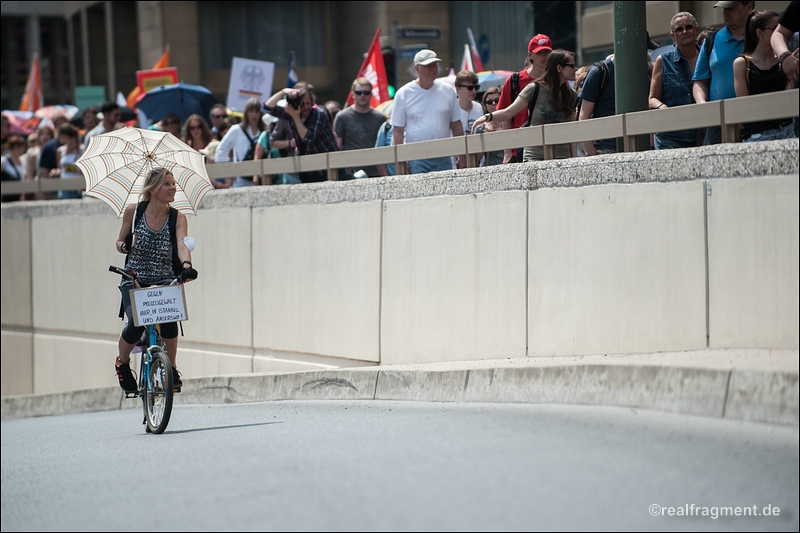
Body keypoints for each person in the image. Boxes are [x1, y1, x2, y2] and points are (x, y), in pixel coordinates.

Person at [113, 167, 196, 394]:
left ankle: (172, 367)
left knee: (169, 320)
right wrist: (125, 245)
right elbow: (119, 242)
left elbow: (182, 244)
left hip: (165, 278)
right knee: (136, 322)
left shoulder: (178, 217)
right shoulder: (133, 211)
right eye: (166, 184)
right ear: (153, 188)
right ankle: (122, 362)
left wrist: (187, 266)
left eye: (173, 183)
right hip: (135, 279)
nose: (172, 188)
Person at [472, 49, 578, 161]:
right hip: (536, 156)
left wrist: (574, 157)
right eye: (571, 65)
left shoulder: (571, 95)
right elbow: (508, 112)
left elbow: (572, 131)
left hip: (563, 158)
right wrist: (487, 117)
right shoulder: (534, 89)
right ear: (559, 68)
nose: (575, 69)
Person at [391, 49, 465, 174]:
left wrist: (462, 155)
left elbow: (456, 124)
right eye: (428, 65)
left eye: (435, 64)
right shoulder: (403, 94)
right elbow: (398, 130)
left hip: (444, 155)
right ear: (416, 68)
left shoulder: (448, 90)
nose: (433, 69)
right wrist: (401, 161)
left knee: (446, 192)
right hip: (416, 157)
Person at [692, 1, 755, 145]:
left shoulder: (761, 37)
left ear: (749, 6)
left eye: (731, 8)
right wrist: (702, 103)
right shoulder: (712, 40)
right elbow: (700, 81)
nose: (725, 12)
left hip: (756, 118)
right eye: (724, 8)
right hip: (718, 122)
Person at [733, 10, 795, 141]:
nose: (779, 32)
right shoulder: (742, 63)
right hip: (757, 135)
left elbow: (789, 98)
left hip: (786, 130)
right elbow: (744, 104)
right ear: (759, 33)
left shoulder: (782, 59)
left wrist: (793, 70)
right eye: (774, 28)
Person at [263, 81, 339, 182]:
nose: (307, 107)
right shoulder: (291, 113)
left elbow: (308, 138)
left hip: (330, 168)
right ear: (295, 104)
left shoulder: (319, 114)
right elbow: (267, 107)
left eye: (309, 103)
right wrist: (283, 92)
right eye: (303, 104)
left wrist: (295, 118)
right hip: (311, 171)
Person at [649, 11, 703, 150]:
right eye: (679, 29)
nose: (684, 31)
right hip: (670, 136)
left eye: (689, 27)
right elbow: (652, 98)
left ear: (696, 29)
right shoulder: (663, 60)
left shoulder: (707, 57)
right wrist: (661, 107)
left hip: (701, 133)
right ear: (672, 35)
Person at [496, 33, 553, 163]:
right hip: (519, 148)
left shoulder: (557, 79)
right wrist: (507, 151)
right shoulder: (514, 80)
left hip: (551, 145)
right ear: (530, 55)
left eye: (547, 52)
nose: (544, 56)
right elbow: (506, 116)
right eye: (539, 52)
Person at [333, 76, 387, 178]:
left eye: (366, 92)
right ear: (353, 94)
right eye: (358, 92)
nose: (362, 95)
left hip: (376, 172)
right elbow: (337, 147)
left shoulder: (380, 118)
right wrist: (343, 166)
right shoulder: (342, 116)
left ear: (371, 94)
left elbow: (385, 147)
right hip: (352, 173)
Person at [215, 97, 265, 187]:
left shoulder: (264, 131)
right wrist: (228, 172)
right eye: (251, 111)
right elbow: (221, 150)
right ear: (246, 113)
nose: (254, 114)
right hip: (240, 180)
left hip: (261, 179)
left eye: (257, 111)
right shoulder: (236, 129)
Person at [578, 53, 617, 155]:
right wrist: (592, 154)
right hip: (606, 149)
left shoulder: (641, 70)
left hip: (639, 145)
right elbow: (583, 116)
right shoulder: (599, 71)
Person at [49, 123, 85, 200]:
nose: (58, 138)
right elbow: (60, 168)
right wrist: (56, 171)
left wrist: (75, 168)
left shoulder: (81, 149)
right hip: (64, 186)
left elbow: (85, 171)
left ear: (65, 135)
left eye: (59, 135)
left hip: (78, 186)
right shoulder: (60, 150)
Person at [472, 87, 503, 166]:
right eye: (489, 102)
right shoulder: (480, 128)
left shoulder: (512, 123)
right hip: (491, 167)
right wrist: (485, 138)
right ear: (485, 106)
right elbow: (475, 159)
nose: (493, 103)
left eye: (497, 100)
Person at [1, 135, 27, 202]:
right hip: (7, 195)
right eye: (22, 146)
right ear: (16, 147)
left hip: (20, 194)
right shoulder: (4, 161)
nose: (24, 149)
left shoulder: (23, 159)